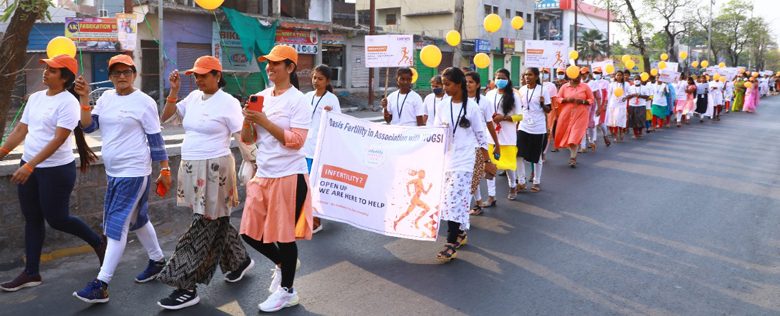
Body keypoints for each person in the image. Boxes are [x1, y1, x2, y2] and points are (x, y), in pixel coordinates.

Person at [0, 54, 104, 293]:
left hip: (56, 171)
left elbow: (59, 139)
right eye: (46, 68)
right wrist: (3, 152)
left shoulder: (68, 102)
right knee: (32, 220)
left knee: (57, 219)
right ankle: (31, 272)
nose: (46, 71)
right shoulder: (36, 98)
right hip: (31, 166)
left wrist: (30, 166)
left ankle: (98, 242)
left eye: (52, 70)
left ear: (65, 77)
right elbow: (21, 129)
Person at [156, 56, 252, 310]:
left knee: (203, 223)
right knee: (214, 218)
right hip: (191, 165)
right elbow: (166, 118)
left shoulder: (228, 102)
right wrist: (174, 92)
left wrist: (253, 162)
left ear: (217, 76)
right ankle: (239, 260)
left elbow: (242, 135)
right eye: (195, 75)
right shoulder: (192, 98)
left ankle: (185, 284)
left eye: (203, 75)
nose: (198, 80)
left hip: (216, 167)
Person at [71, 55, 169, 303]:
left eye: (126, 72)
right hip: (114, 172)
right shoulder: (105, 98)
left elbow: (156, 139)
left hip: (134, 171)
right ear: (111, 76)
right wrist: (84, 98)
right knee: (138, 219)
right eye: (116, 73)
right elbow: (88, 127)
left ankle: (101, 284)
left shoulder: (144, 102)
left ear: (134, 74)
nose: (121, 77)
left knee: (116, 225)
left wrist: (165, 169)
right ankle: (157, 260)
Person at [240, 45, 314, 312]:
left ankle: (288, 291)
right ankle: (284, 263)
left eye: (276, 63)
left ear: (290, 68)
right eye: (267, 63)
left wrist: (265, 121)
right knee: (250, 232)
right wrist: (249, 120)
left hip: (289, 175)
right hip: (264, 173)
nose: (269, 68)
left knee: (284, 237)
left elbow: (296, 141)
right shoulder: (260, 96)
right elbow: (248, 139)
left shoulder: (299, 101)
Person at [432, 67, 489, 262]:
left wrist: (487, 161)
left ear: (458, 84)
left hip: (465, 160)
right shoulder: (442, 105)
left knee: (453, 199)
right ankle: (461, 233)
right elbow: (435, 131)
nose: (444, 88)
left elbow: (481, 135)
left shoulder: (472, 107)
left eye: (447, 84)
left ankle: (451, 243)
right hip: (447, 159)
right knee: (451, 200)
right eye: (443, 84)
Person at [302, 64, 341, 234]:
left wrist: (330, 114)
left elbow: (338, 123)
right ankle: (308, 217)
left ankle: (316, 221)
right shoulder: (307, 96)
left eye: (320, 79)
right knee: (304, 185)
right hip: (304, 148)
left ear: (327, 81)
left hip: (320, 148)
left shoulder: (331, 99)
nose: (316, 81)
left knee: (314, 186)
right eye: (314, 77)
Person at [464, 71, 499, 216]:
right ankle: (477, 203)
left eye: (471, 82)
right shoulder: (459, 99)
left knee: (475, 176)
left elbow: (490, 124)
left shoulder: (484, 102)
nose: (467, 84)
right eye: (465, 81)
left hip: (479, 144)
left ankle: (478, 202)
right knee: (469, 176)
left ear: (478, 85)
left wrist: (496, 143)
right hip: (463, 144)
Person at [484, 69, 521, 201]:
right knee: (490, 166)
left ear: (508, 80)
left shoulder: (514, 96)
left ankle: (512, 186)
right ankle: (491, 196)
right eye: (497, 77)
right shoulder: (489, 94)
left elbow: (520, 116)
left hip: (508, 136)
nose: (500, 80)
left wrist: (503, 118)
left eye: (503, 78)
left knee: (509, 165)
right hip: (491, 135)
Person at [516, 68, 551, 192]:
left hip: (538, 128)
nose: (527, 77)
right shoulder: (522, 90)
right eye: (526, 74)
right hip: (523, 126)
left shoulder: (543, 90)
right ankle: (521, 181)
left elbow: (548, 110)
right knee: (518, 154)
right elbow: (519, 108)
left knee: (537, 157)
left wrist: (542, 104)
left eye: (530, 75)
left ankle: (536, 181)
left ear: (536, 76)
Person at [555, 67, 594, 167]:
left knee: (575, 136)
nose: (578, 78)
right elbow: (558, 98)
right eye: (576, 76)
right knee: (567, 135)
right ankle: (572, 152)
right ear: (571, 76)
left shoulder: (585, 86)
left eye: (579, 76)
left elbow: (591, 99)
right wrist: (566, 99)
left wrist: (583, 101)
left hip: (581, 114)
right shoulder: (564, 87)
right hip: (566, 114)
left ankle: (573, 157)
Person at [606, 70, 628, 142]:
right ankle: (616, 135)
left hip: (622, 104)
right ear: (615, 76)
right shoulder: (612, 84)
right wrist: (607, 104)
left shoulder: (626, 84)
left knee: (620, 119)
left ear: (622, 76)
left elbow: (628, 93)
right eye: (617, 75)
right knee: (614, 120)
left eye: (620, 75)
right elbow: (609, 94)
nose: (619, 76)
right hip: (613, 104)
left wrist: (625, 98)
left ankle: (621, 132)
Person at [581, 67, 599, 152]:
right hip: (581, 106)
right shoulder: (579, 82)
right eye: (582, 73)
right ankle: (583, 146)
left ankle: (591, 141)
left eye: (585, 73)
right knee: (582, 126)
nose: (583, 75)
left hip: (591, 106)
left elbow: (597, 97)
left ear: (588, 74)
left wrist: (599, 108)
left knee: (590, 125)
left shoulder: (593, 83)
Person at [626, 74, 650, 138]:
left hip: (641, 105)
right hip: (632, 105)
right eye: (635, 79)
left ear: (641, 80)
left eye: (638, 79)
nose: (637, 81)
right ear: (633, 80)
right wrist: (633, 95)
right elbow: (627, 96)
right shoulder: (630, 88)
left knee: (641, 119)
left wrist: (640, 95)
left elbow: (647, 96)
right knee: (633, 120)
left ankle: (640, 132)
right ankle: (635, 133)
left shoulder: (645, 87)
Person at [592, 67, 611, 146]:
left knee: (601, 123)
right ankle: (593, 141)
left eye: (598, 73)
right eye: (595, 73)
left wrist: (605, 105)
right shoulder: (592, 82)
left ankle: (605, 135)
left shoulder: (605, 82)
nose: (596, 75)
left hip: (601, 105)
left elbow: (607, 95)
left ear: (601, 74)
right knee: (593, 123)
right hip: (593, 105)